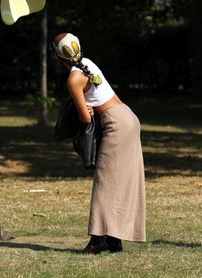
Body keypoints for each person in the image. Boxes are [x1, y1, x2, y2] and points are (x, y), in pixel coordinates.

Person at [51, 33, 146, 254]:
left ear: (58, 57)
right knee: (121, 181)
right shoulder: (87, 63)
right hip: (128, 116)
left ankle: (97, 241)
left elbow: (85, 117)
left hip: (115, 123)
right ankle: (114, 239)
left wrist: (84, 109)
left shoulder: (73, 79)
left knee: (105, 181)